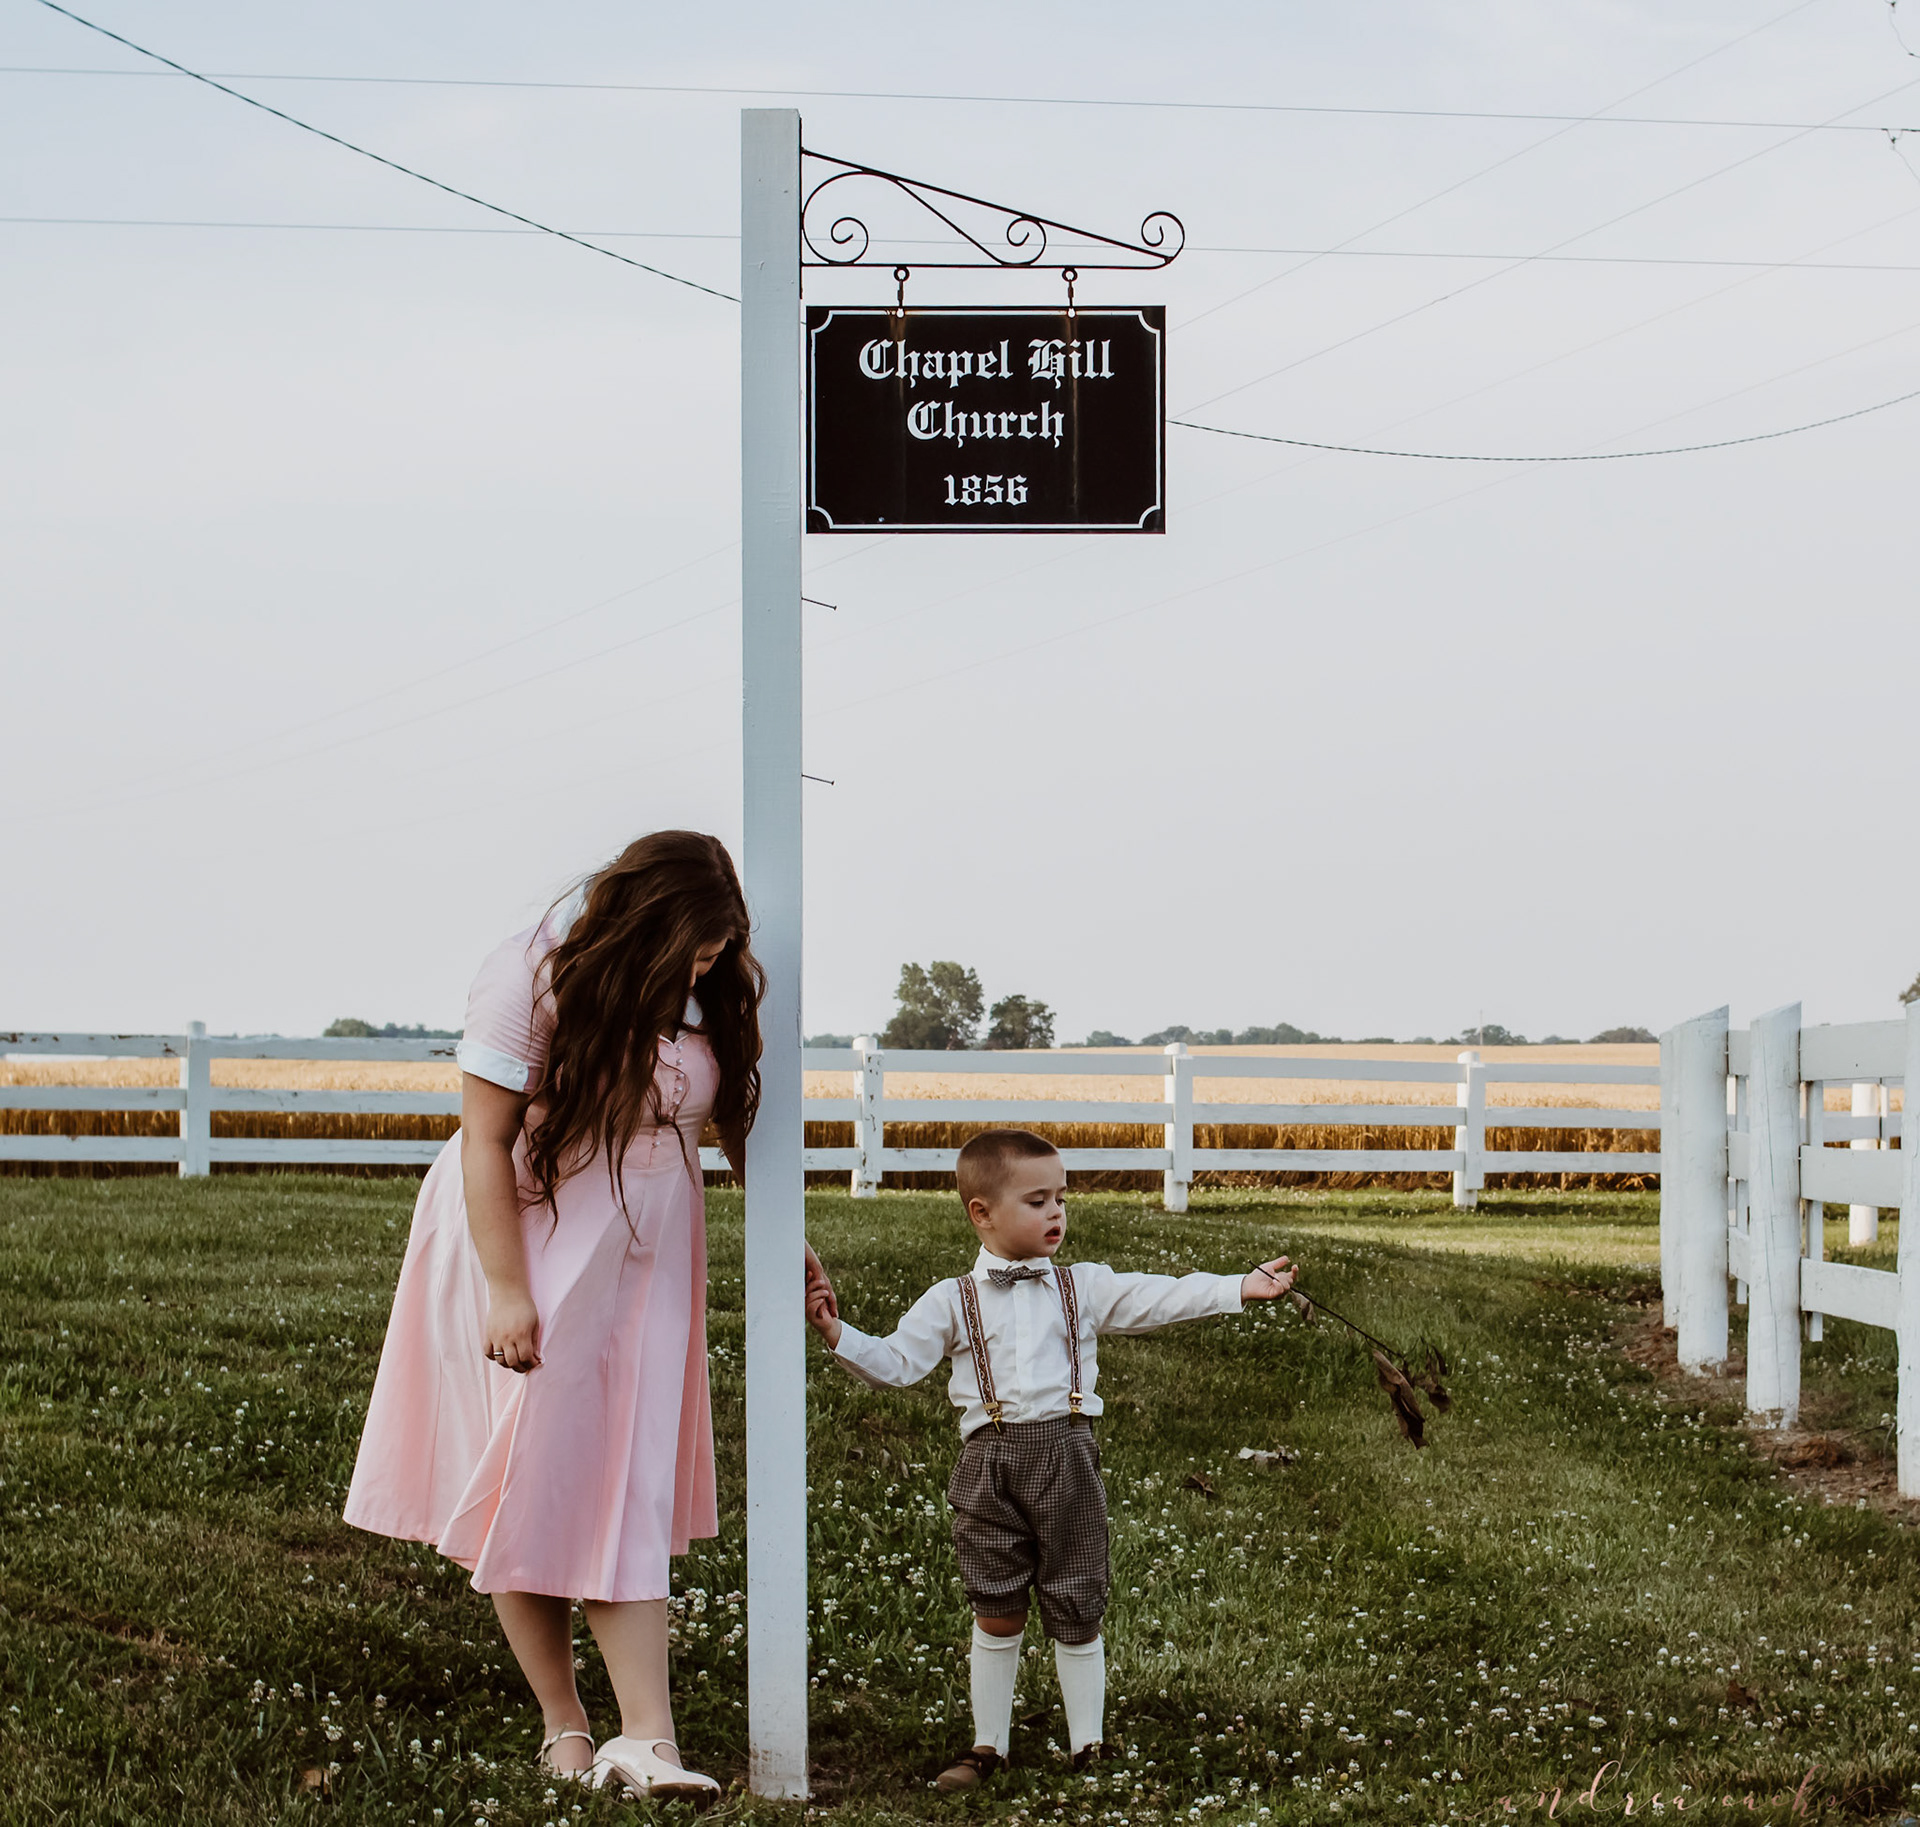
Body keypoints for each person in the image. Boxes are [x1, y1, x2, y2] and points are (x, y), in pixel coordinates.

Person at [345, 830, 828, 1798]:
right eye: (691, 952)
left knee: (626, 1477)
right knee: (533, 1472)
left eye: (714, 955)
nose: (701, 972)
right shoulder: (527, 977)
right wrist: (508, 1290)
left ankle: (647, 1739)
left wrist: (786, 1237)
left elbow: (728, 1122)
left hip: (647, 1259)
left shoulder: (710, 990)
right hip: (529, 1237)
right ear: (643, 925)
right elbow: (485, 1141)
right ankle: (566, 1724)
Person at [804, 1127, 1295, 1791]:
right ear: (982, 1212)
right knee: (995, 1602)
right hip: (989, 1467)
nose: (1056, 1212)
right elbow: (895, 1363)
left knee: (1076, 1597)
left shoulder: (1081, 1287)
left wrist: (1239, 1286)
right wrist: (836, 1332)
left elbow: (1161, 1295)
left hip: (1067, 1459)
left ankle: (1088, 1743)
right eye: (1037, 1201)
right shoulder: (952, 1299)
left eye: (1061, 1198)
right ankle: (988, 1746)